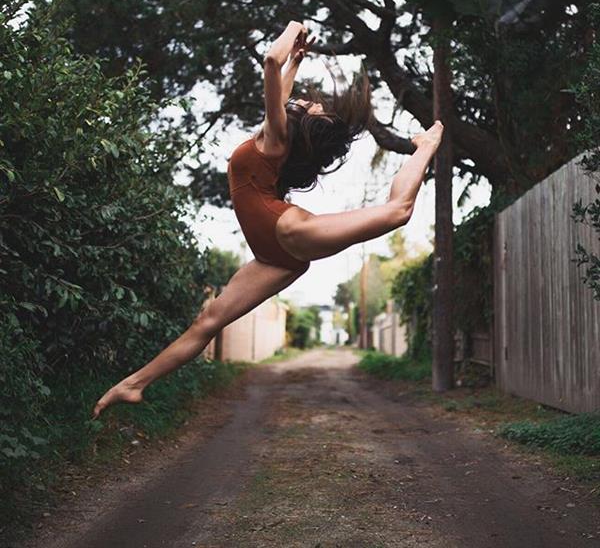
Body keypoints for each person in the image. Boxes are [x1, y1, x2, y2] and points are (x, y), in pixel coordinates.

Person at [91, 21, 444, 419]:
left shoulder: (277, 138)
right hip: (274, 254)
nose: (312, 102)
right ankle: (134, 384)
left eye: (316, 108)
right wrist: (297, 59)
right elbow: (282, 83)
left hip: (290, 231)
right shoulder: (277, 133)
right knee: (209, 320)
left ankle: (426, 145)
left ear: (306, 125)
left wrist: (294, 28)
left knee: (398, 211)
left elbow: (269, 62)